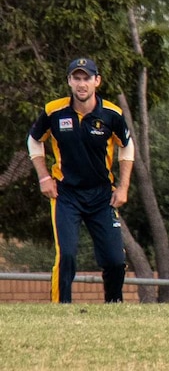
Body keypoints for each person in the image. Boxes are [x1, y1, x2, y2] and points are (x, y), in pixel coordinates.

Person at [27, 58, 135, 303]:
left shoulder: (112, 114)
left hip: (101, 195)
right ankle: (60, 308)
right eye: (76, 78)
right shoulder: (54, 111)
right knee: (67, 255)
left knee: (116, 261)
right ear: (69, 82)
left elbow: (127, 147)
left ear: (97, 81)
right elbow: (34, 140)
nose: (82, 84)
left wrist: (124, 187)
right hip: (66, 194)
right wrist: (44, 176)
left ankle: (114, 306)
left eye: (87, 78)